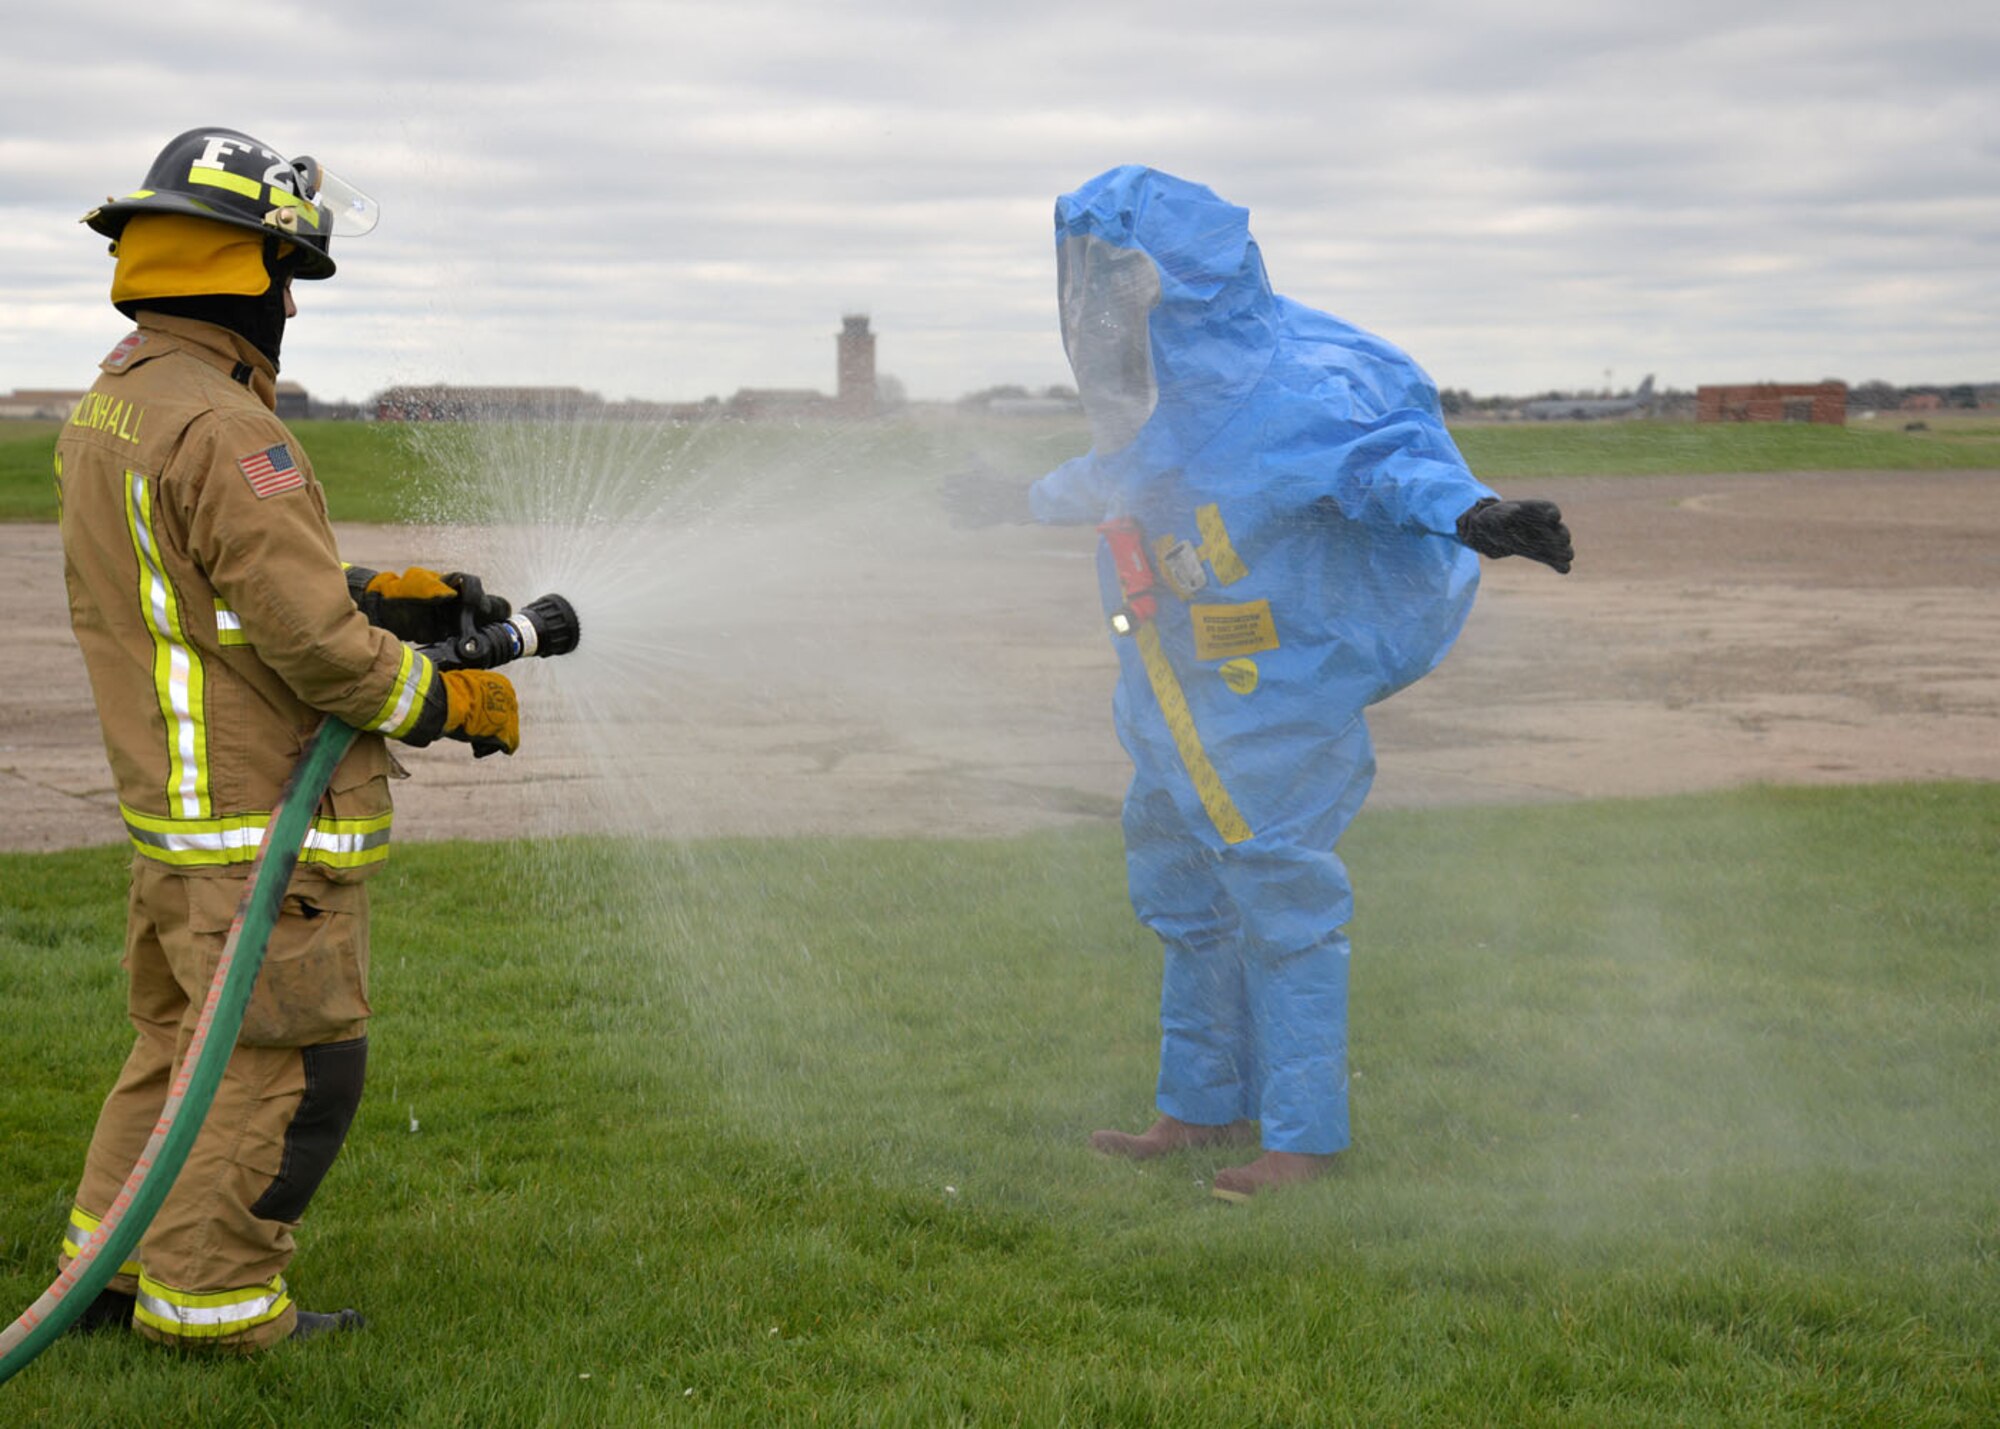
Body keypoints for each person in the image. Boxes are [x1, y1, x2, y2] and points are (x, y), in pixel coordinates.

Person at [54, 126, 521, 1349]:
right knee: (285, 1070)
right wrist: (446, 695)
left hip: (179, 821)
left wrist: (377, 589)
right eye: (285, 276)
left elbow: (215, 589)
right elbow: (311, 649)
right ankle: (214, 1307)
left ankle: (105, 1272)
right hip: (263, 830)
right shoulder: (228, 428)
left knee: (173, 1052)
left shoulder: (116, 404)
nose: (291, 311)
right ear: (238, 269)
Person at [1022, 167, 1572, 1201]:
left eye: (1117, 282)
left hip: (1270, 693)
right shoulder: (1158, 401)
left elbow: (1380, 463)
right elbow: (1118, 475)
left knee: (1277, 890)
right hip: (1170, 686)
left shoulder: (1293, 391)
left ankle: (1303, 1138)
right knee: (1182, 893)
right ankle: (1197, 1107)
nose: (1098, 309)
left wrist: (1471, 514)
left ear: (1176, 283)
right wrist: (1011, 499)